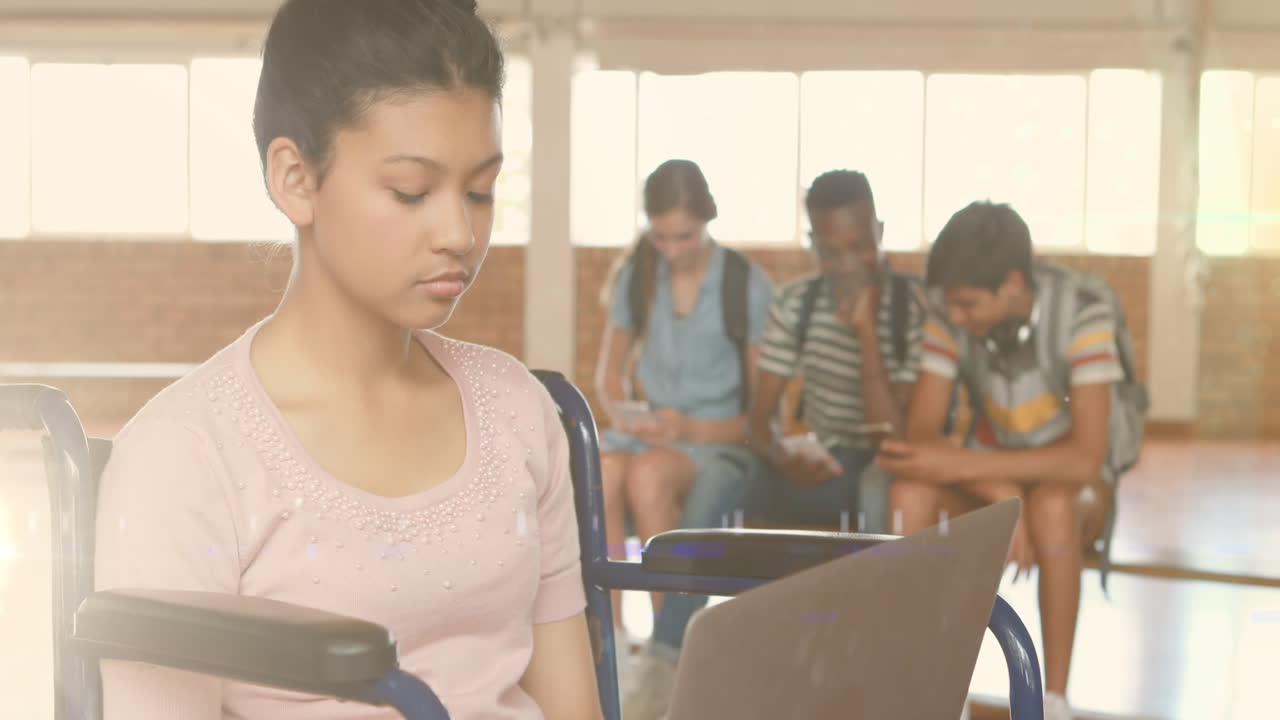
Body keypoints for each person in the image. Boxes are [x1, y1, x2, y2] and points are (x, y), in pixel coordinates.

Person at [93, 2, 602, 719]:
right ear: (295, 178)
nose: (459, 231)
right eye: (411, 192)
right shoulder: (187, 454)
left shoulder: (516, 409)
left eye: (480, 191)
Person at [879, 201, 1126, 720]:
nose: (959, 317)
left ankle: (1053, 700)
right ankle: (934, 690)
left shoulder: (1084, 310)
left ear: (1012, 283)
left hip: (1067, 484)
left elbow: (1084, 458)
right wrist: (1000, 492)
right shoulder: (952, 312)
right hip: (995, 471)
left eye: (969, 304)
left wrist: (978, 473)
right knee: (909, 493)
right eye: (953, 306)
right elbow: (922, 439)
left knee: (1053, 506)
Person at [593, 159, 773, 718]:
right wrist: (624, 414)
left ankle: (667, 648)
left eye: (684, 236)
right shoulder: (639, 274)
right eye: (661, 235)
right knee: (602, 469)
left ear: (708, 219)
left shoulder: (746, 283)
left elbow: (760, 416)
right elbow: (607, 374)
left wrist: (687, 428)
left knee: (647, 477)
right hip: (651, 432)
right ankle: (614, 639)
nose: (671, 249)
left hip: (715, 437)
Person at [747, 170, 924, 534]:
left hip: (896, 459)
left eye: (860, 247)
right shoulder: (796, 303)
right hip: (829, 460)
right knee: (747, 481)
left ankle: (883, 590)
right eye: (830, 252)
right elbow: (759, 425)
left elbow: (890, 439)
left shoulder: (915, 306)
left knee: (876, 487)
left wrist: (866, 331)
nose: (847, 264)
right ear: (813, 243)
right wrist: (785, 458)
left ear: (881, 232)